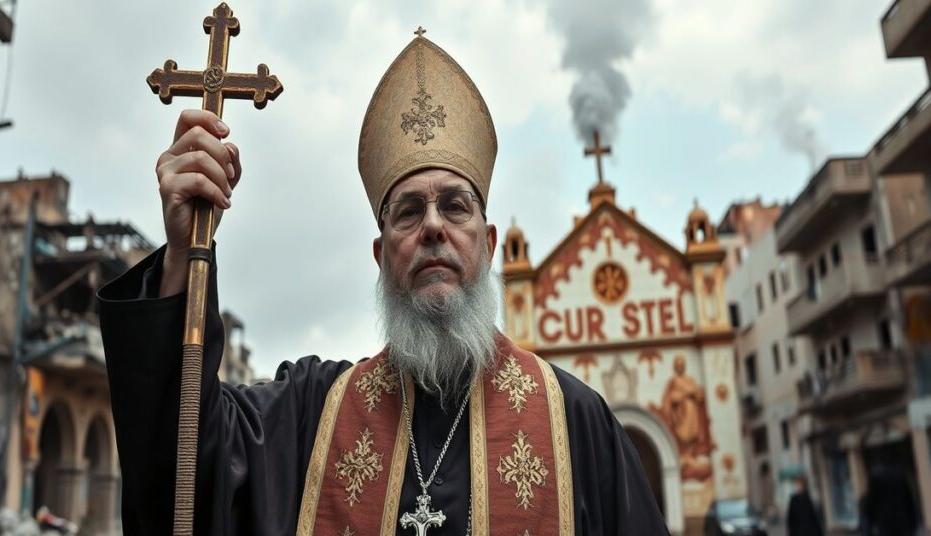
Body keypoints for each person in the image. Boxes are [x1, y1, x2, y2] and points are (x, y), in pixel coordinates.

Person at [99, 32, 668, 535]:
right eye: (408, 212)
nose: (433, 227)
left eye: (455, 206)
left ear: (489, 244)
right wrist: (184, 254)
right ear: (381, 256)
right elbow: (184, 473)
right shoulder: (312, 415)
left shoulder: (576, 423)